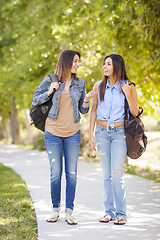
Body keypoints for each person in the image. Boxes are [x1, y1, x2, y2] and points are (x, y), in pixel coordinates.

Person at [32, 50, 94, 225]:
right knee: (55, 174)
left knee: (72, 174)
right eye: (75, 61)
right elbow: (35, 99)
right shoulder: (50, 80)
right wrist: (49, 92)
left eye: (78, 61)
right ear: (66, 61)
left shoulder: (80, 83)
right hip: (52, 133)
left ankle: (69, 211)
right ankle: (55, 210)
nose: (77, 64)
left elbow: (83, 110)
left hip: (73, 134)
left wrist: (87, 99)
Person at [89, 54, 139, 225]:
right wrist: (91, 135)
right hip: (101, 133)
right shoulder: (98, 86)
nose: (104, 67)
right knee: (106, 175)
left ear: (117, 66)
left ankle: (121, 213)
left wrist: (128, 94)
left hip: (119, 135)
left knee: (116, 174)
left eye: (108, 64)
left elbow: (134, 112)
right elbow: (93, 111)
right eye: (104, 64)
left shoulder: (128, 86)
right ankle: (108, 212)